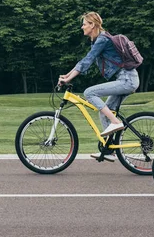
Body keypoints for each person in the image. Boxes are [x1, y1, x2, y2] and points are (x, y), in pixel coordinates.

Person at [59, 12, 140, 162]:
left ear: (92, 25)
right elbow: (85, 61)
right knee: (104, 112)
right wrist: (66, 76)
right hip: (125, 79)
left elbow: (87, 61)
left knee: (89, 92)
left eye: (84, 24)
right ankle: (109, 150)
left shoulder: (102, 39)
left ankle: (116, 123)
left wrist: (69, 77)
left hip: (127, 79)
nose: (82, 27)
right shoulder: (98, 40)